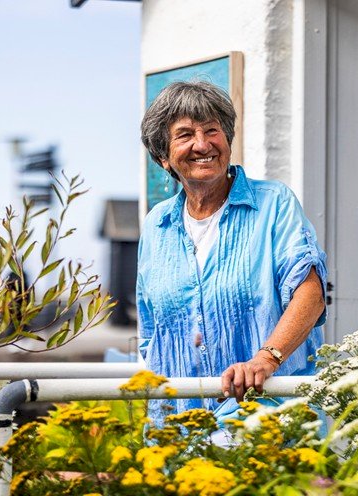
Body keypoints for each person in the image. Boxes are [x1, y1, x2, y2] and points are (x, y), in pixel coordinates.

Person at [137, 81, 326, 425]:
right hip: (179, 426)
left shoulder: (273, 203)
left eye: (212, 130)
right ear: (163, 156)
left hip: (266, 420)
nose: (202, 144)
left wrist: (265, 359)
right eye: (185, 135)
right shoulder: (156, 225)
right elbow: (151, 331)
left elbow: (310, 294)